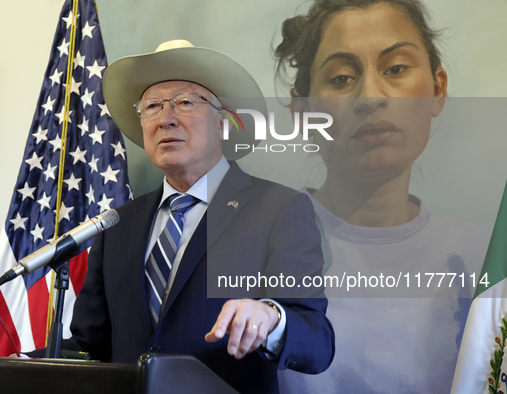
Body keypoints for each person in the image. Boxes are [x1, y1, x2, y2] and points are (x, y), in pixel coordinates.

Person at [30, 40, 335, 393]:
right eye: (152, 106)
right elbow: (90, 346)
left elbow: (317, 342)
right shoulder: (117, 223)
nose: (165, 118)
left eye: (186, 103)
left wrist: (270, 319)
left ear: (224, 123)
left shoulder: (279, 207)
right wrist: (17, 366)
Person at [274, 0, 490, 392]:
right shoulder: (249, 247)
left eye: (395, 69)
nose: (371, 95)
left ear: (438, 89)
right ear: (301, 112)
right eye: (341, 77)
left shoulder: (485, 264)